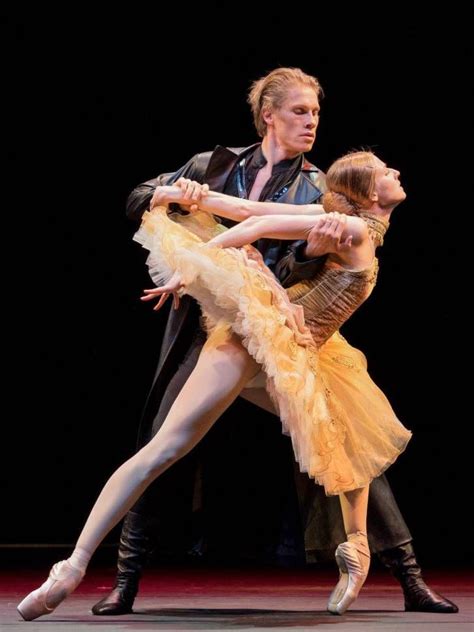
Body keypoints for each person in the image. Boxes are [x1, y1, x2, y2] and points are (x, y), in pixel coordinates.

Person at [94, 67, 457, 616]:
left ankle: (407, 575)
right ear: (269, 115)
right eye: (300, 111)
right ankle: (124, 579)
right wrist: (176, 193)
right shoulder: (211, 165)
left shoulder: (322, 187)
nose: (312, 122)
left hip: (279, 322)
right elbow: (138, 200)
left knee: (351, 439)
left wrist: (312, 253)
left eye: (315, 113)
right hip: (208, 324)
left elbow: (290, 257)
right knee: (163, 440)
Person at [17, 149, 415, 621]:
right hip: (259, 338)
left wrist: (204, 204)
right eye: (386, 171)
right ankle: (72, 566)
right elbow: (251, 224)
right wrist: (196, 263)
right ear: (371, 194)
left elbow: (249, 211)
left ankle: (357, 549)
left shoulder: (349, 222)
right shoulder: (349, 228)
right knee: (167, 447)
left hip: (305, 347)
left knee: (349, 432)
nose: (397, 172)